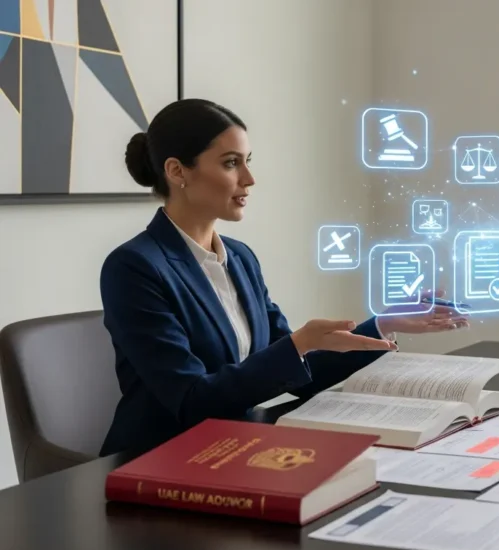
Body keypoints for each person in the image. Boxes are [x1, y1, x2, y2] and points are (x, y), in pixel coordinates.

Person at [99, 99, 468, 456]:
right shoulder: (134, 267)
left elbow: (298, 371)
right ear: (177, 171)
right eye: (231, 164)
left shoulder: (240, 258)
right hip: (161, 458)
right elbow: (192, 399)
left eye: (247, 162)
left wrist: (382, 324)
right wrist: (297, 345)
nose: (249, 179)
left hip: (235, 446)